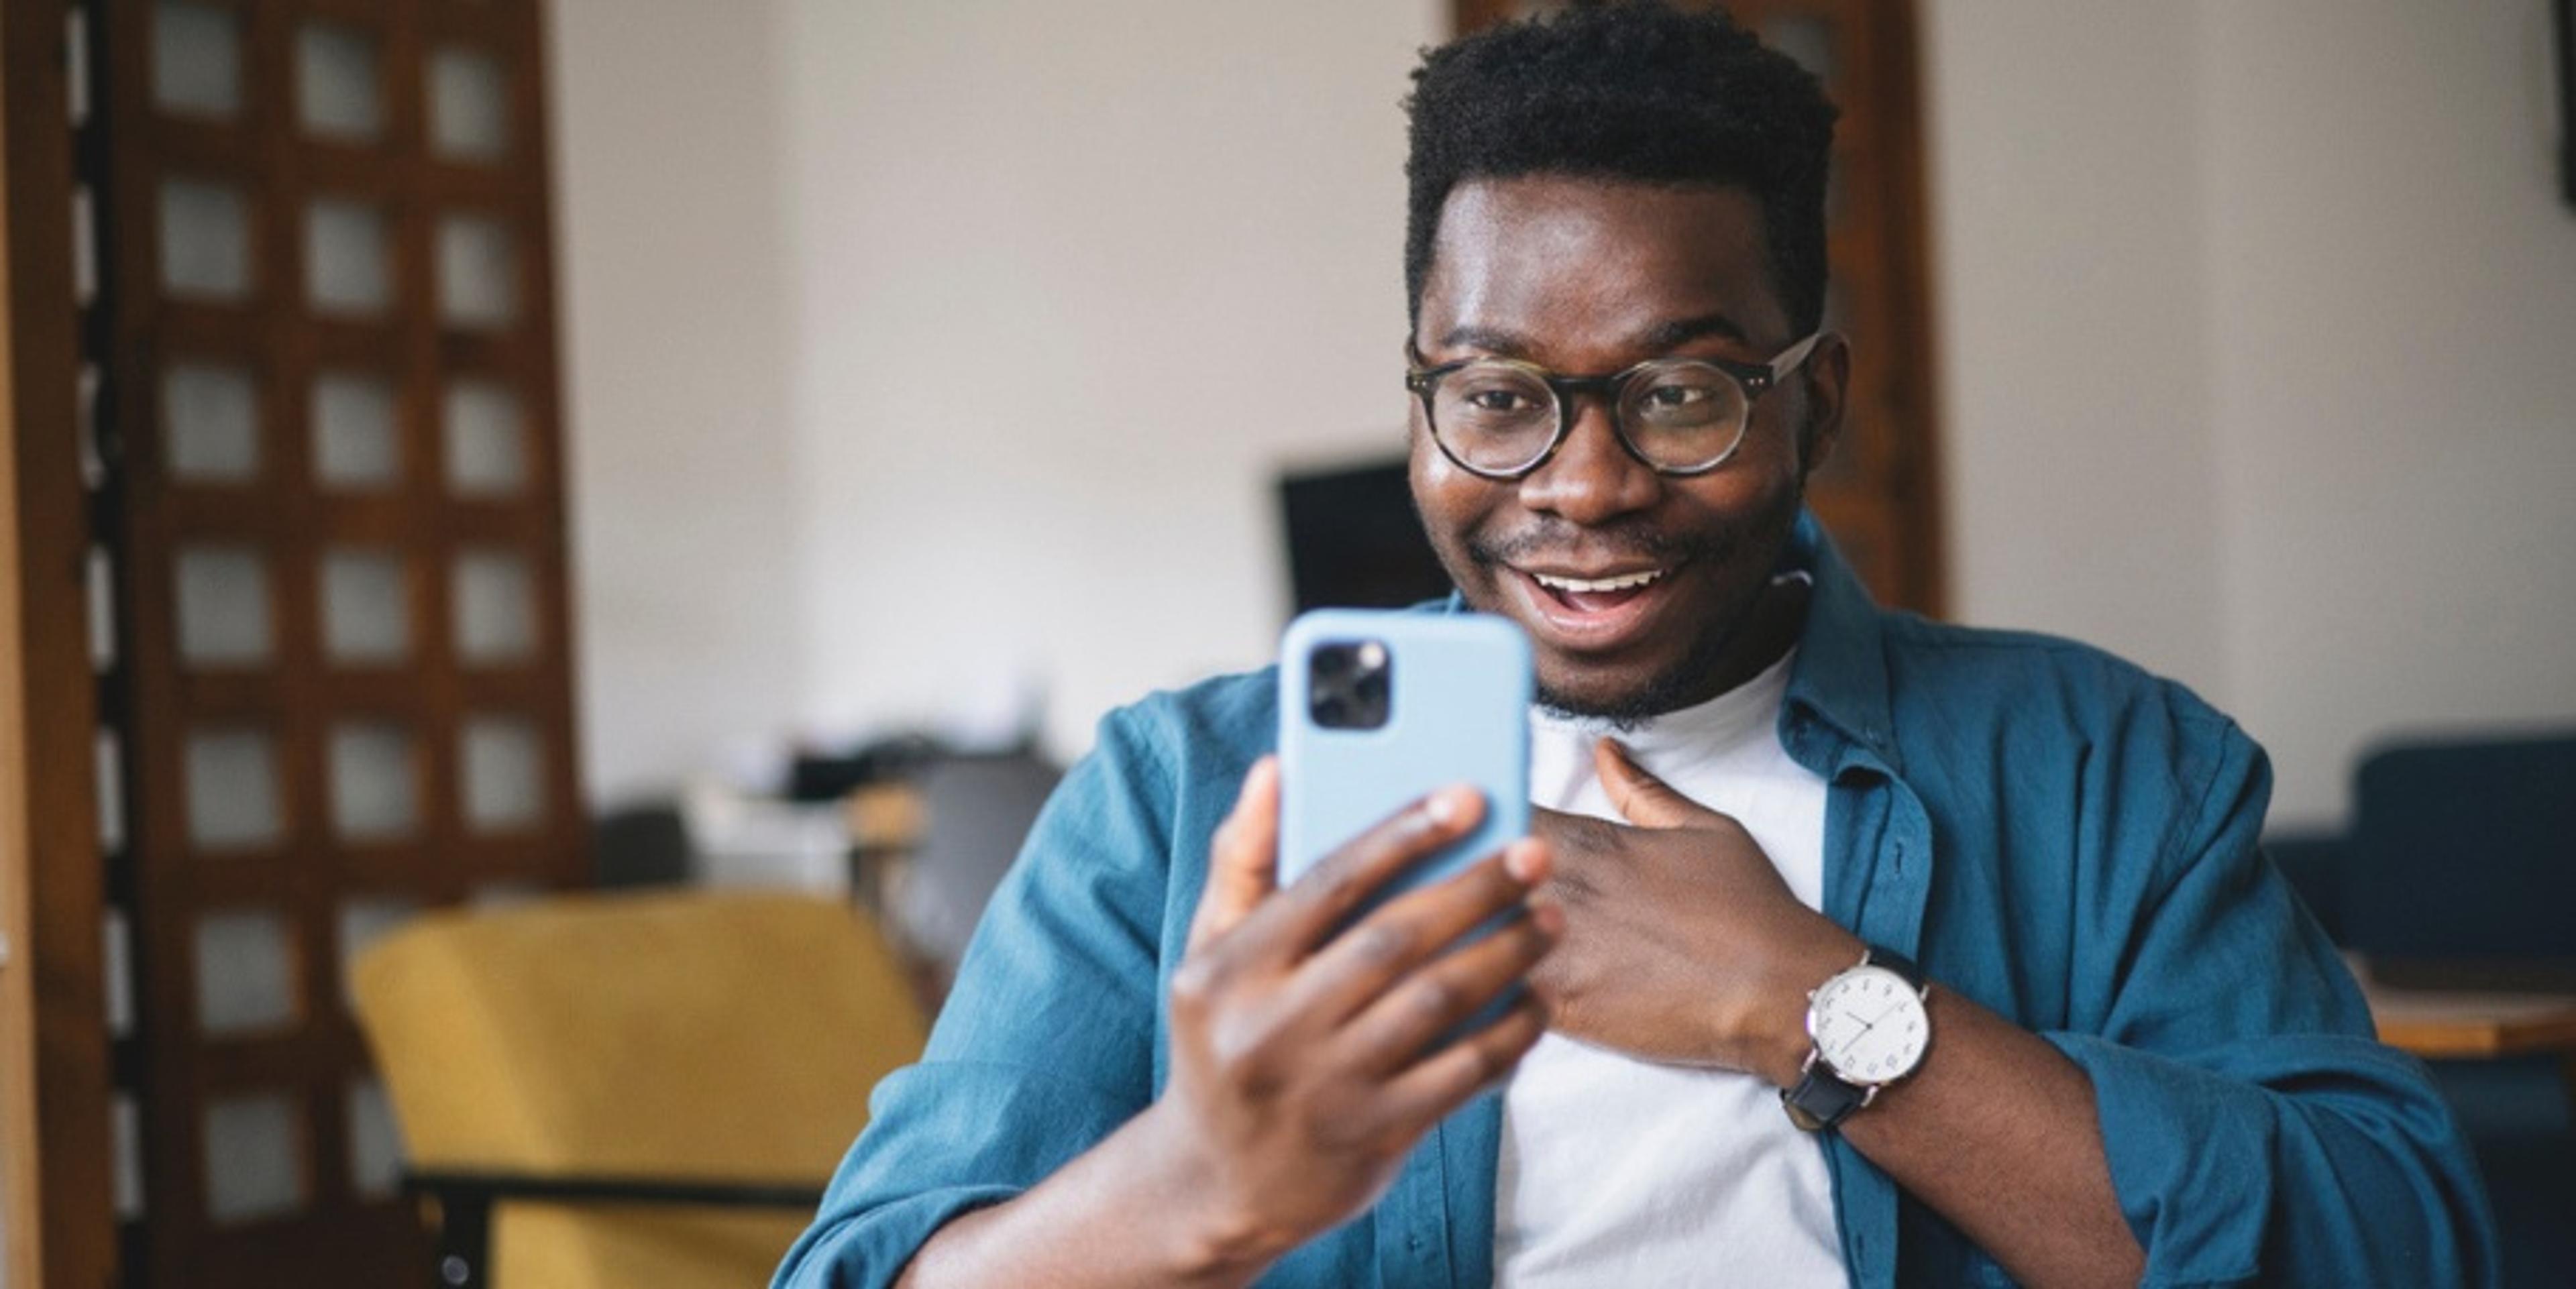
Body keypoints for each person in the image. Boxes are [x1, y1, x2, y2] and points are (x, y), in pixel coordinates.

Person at [773, 5, 2496, 1286]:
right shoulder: (1183, 793)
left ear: (1811, 398)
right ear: (1425, 404)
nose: (1583, 486)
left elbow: (2397, 1245)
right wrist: (1199, 1176)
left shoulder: (2111, 763)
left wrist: (1811, 1005)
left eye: (1679, 392)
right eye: (1501, 397)